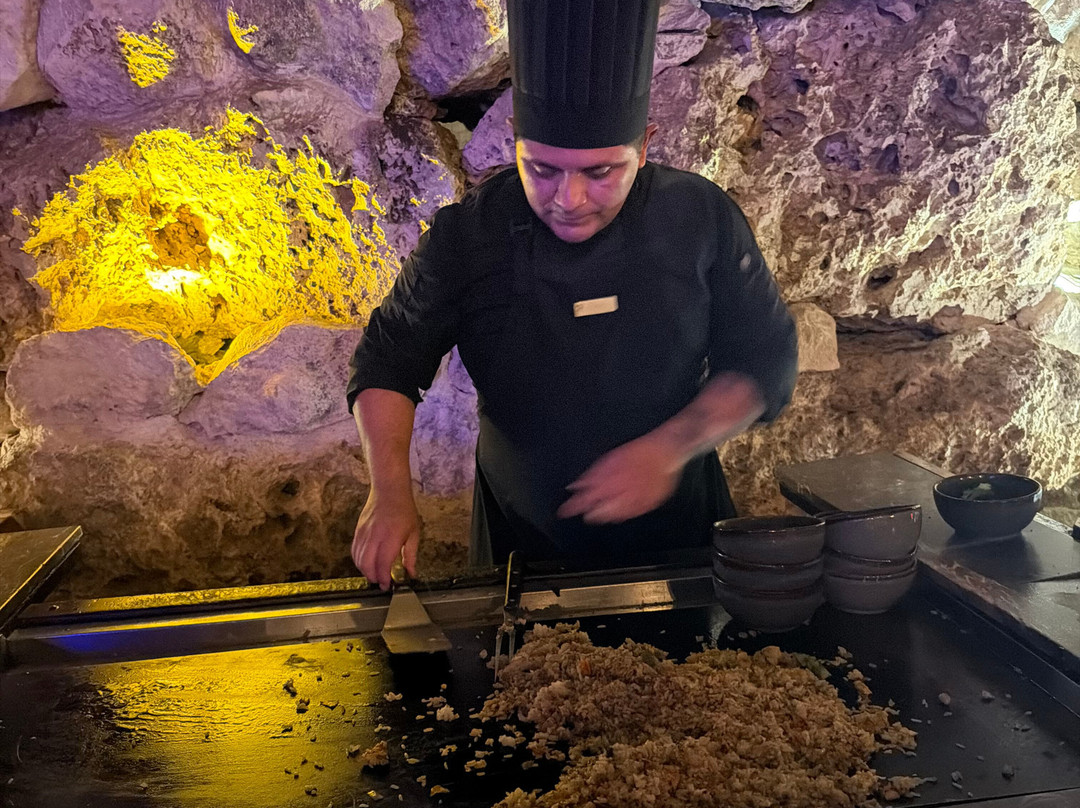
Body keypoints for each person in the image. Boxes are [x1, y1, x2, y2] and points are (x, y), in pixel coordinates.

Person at [346, 0, 798, 590]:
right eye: (542, 169)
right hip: (519, 548)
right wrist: (388, 492)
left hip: (682, 544)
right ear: (515, 140)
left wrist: (668, 448)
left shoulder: (698, 218)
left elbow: (765, 356)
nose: (569, 199)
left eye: (601, 172)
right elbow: (388, 358)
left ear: (645, 146)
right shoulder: (471, 237)